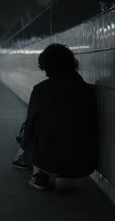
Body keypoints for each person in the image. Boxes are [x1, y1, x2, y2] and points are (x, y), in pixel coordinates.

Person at [17, 43, 97, 191]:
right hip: (85, 162)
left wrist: (23, 146)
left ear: (51, 67)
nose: (45, 73)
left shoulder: (41, 90)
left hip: (49, 160)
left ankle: (38, 175)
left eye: (44, 68)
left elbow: (30, 125)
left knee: (28, 127)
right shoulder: (87, 90)